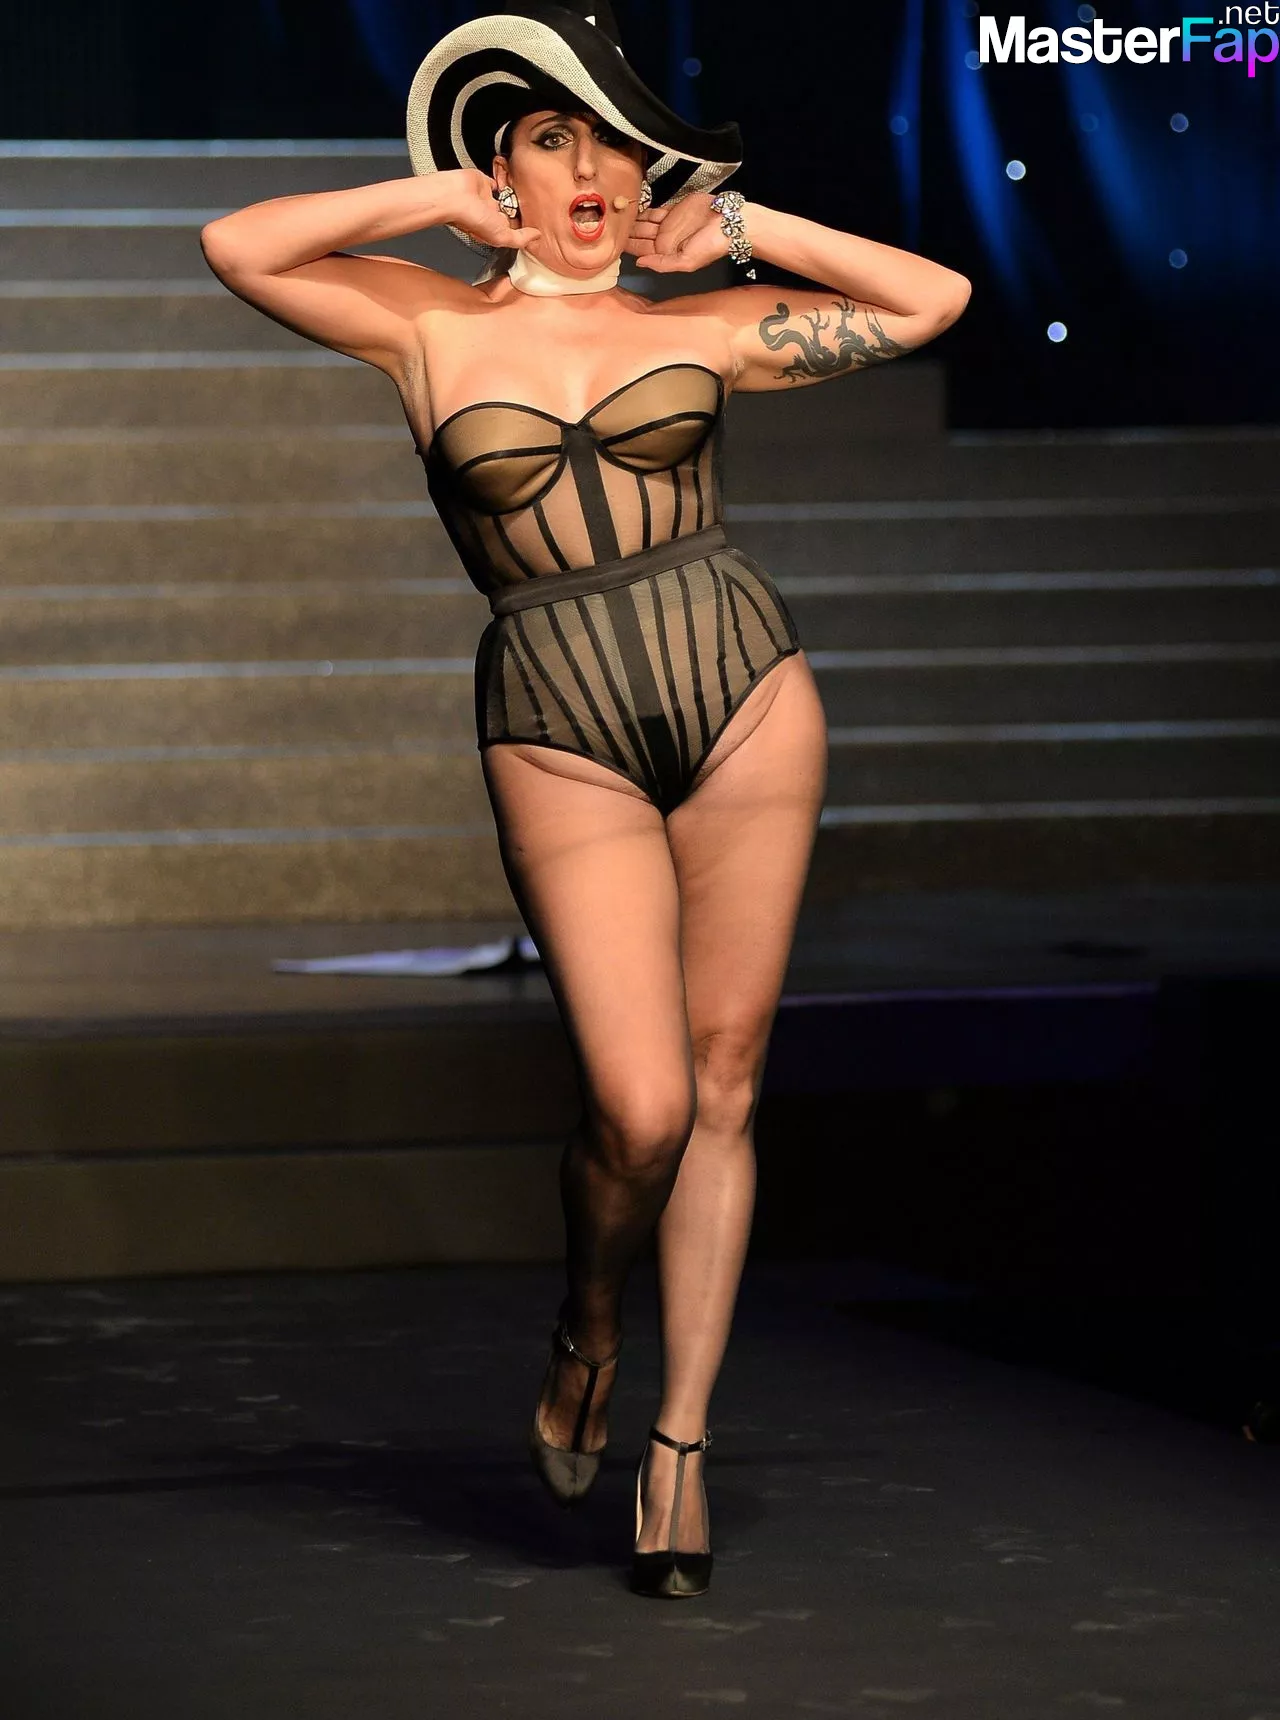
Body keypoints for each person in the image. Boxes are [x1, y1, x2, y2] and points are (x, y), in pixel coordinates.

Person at [200, 0, 970, 1600]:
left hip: (745, 698)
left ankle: (680, 1446)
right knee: (640, 1108)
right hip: (559, 721)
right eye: (557, 140)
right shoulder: (423, 323)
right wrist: (432, 200)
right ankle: (591, 1323)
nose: (596, 172)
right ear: (505, 169)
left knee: (725, 1081)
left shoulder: (702, 322)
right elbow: (237, 244)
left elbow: (934, 297)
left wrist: (740, 229)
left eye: (620, 145)